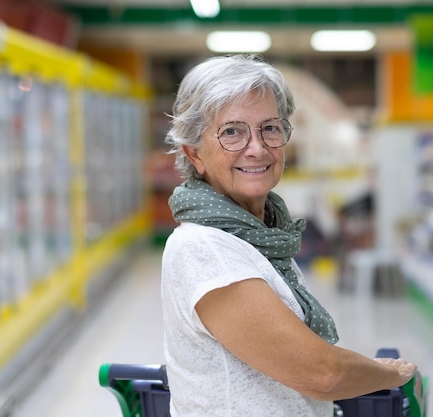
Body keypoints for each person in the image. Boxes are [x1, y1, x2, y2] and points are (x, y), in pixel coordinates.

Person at [161, 54, 417, 417]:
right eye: (232, 131)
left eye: (270, 128)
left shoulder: (264, 236)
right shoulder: (205, 251)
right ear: (194, 153)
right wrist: (392, 374)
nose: (257, 147)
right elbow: (322, 373)